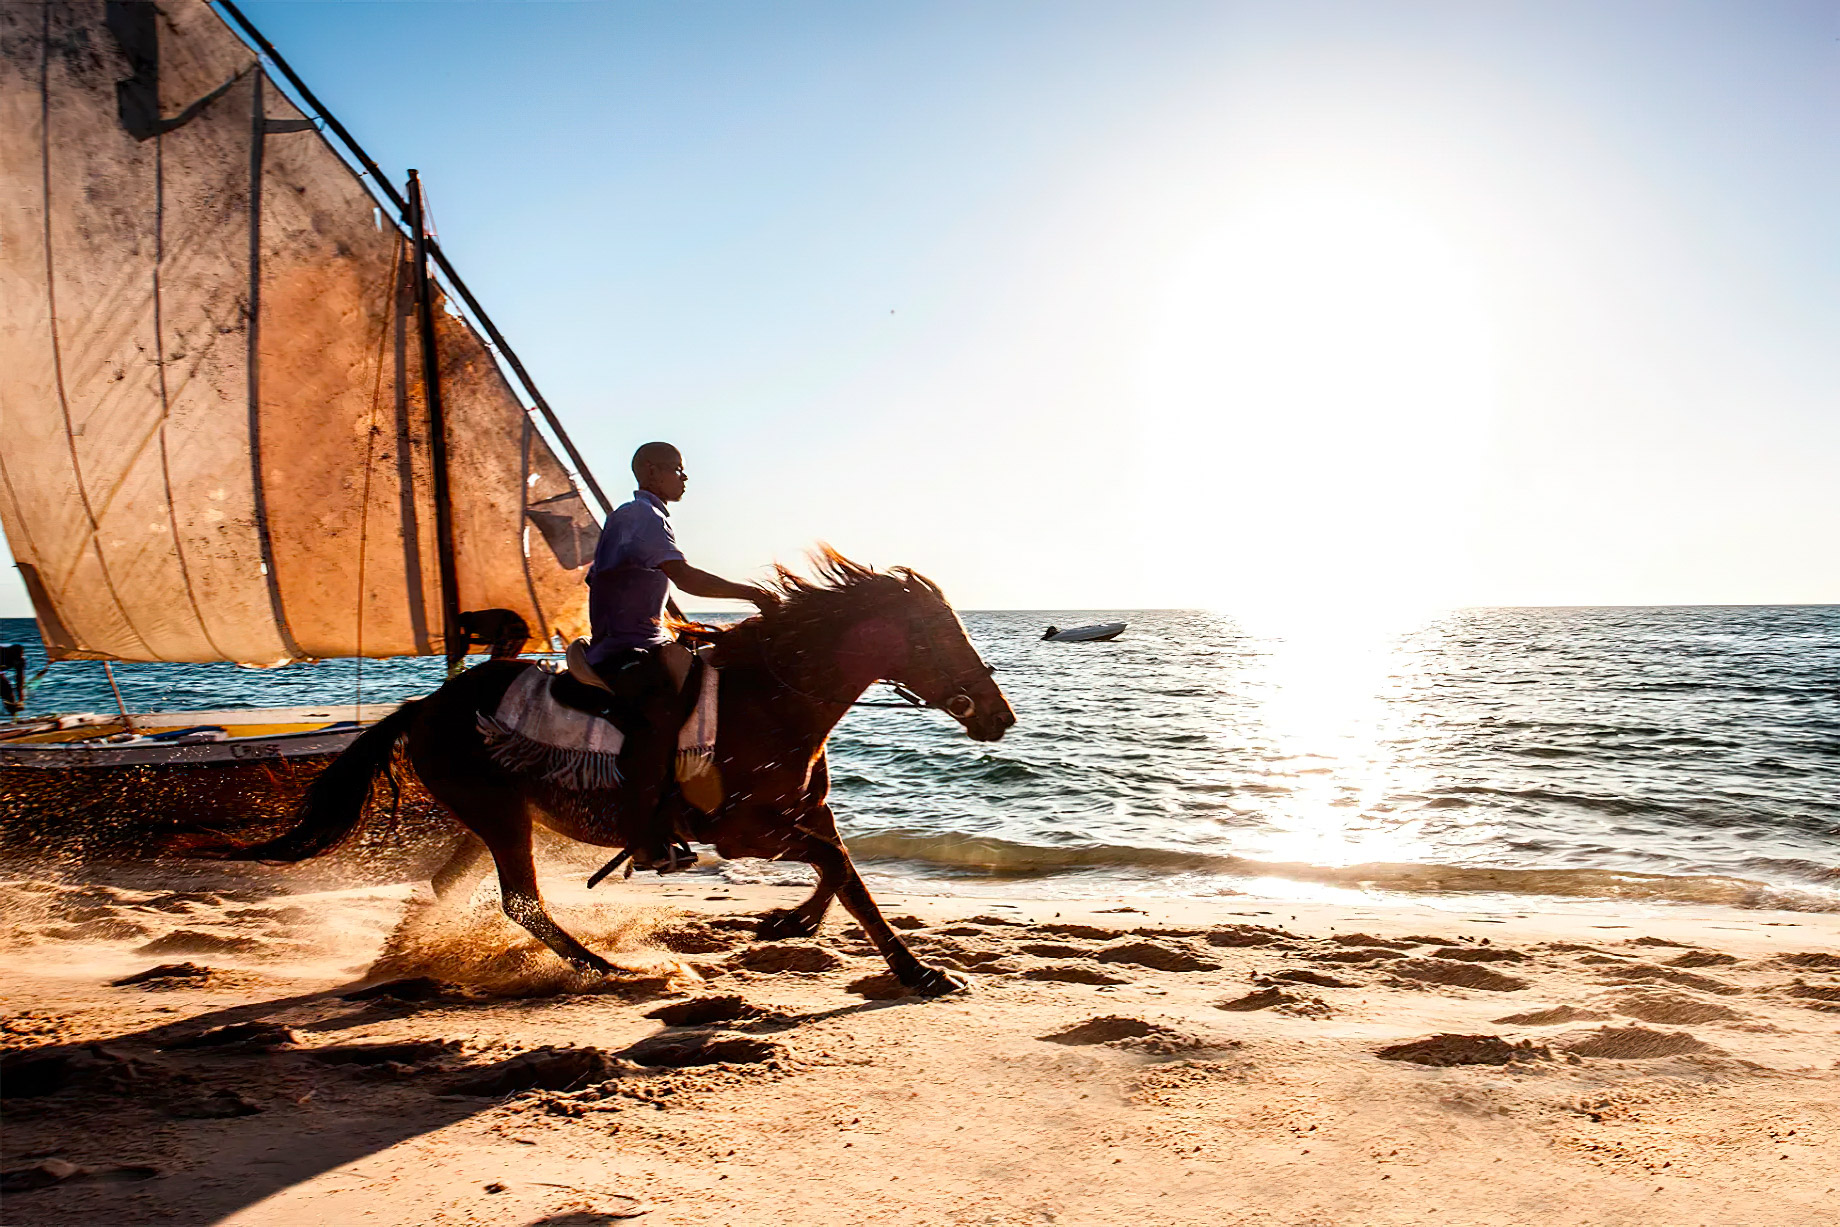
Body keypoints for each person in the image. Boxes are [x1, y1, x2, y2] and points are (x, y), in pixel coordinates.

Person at [585, 442, 775, 871]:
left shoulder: (637, 517)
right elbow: (685, 577)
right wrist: (753, 593)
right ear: (651, 472)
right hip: (625, 650)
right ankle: (646, 835)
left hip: (645, 642)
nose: (685, 479)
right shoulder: (643, 517)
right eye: (677, 470)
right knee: (662, 713)